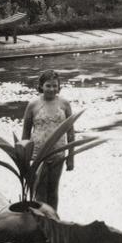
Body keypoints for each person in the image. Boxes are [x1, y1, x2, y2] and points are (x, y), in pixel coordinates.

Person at [22, 70, 75, 211]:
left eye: (55, 86)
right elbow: (26, 133)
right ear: (41, 86)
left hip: (58, 154)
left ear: (59, 87)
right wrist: (24, 159)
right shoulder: (33, 105)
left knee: (53, 191)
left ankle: (53, 223)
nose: (52, 89)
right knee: (40, 192)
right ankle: (40, 224)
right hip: (38, 156)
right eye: (48, 86)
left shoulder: (64, 104)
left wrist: (71, 157)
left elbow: (70, 132)